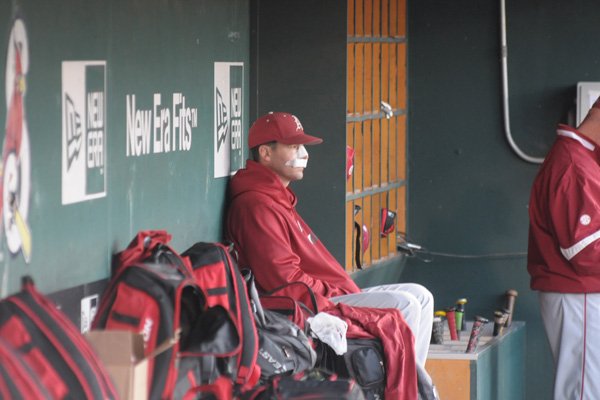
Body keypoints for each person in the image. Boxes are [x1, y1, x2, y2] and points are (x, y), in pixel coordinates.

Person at [226, 111, 434, 368]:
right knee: (406, 304)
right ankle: (402, 390)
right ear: (266, 154)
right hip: (307, 304)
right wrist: (338, 294)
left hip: (328, 294)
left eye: (302, 146)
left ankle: (413, 387)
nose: (304, 154)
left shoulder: (277, 196)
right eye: (293, 146)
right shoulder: (255, 204)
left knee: (421, 296)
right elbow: (285, 282)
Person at [528, 97, 600, 399]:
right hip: (577, 296)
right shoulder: (573, 163)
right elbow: (584, 250)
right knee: (583, 392)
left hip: (582, 295)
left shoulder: (584, 158)